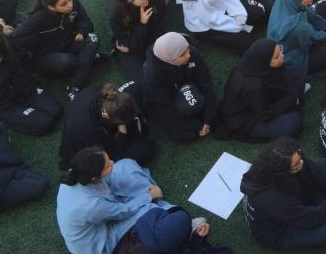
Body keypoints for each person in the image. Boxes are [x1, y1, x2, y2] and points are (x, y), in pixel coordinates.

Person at [57, 147, 212, 254]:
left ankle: (156, 201)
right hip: (103, 242)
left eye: (108, 158)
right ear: (94, 177)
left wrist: (143, 190)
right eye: (107, 165)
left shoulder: (80, 177)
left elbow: (112, 181)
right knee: (148, 209)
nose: (111, 162)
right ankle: (161, 209)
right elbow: (120, 212)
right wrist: (147, 196)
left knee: (126, 164)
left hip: (104, 214)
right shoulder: (90, 205)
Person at [241, 137, 326, 250]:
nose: (301, 163)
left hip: (289, 207)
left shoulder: (271, 166)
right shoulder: (275, 198)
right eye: (296, 164)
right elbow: (307, 218)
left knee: (324, 165)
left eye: (299, 157)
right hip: (280, 232)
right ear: (282, 171)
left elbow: (308, 165)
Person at [0, 31, 63, 136]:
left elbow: (25, 67)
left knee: (56, 110)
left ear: (3, 53)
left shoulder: (10, 49)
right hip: (0, 103)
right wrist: (2, 70)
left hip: (22, 89)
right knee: (44, 123)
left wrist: (29, 84)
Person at [12, 0, 100, 100]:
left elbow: (84, 20)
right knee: (69, 61)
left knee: (93, 39)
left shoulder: (73, 5)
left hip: (69, 42)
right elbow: (16, 37)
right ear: (51, 7)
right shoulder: (38, 19)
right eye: (64, 4)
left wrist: (82, 31)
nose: (70, 5)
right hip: (47, 54)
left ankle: (74, 85)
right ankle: (88, 59)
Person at [220, 39, 305, 142]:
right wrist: (291, 101)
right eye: (276, 57)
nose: (282, 55)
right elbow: (266, 115)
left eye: (280, 50)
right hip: (248, 120)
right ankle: (295, 103)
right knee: (293, 124)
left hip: (261, 101)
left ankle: (295, 102)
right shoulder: (254, 86)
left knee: (298, 72)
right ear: (265, 61)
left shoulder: (253, 66)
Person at [59, 83, 156, 170]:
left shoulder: (106, 93)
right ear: (106, 116)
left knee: (134, 88)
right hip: (89, 147)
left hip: (89, 115)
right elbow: (110, 153)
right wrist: (123, 132)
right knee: (145, 149)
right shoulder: (92, 132)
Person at [142, 32, 217, 142]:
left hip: (187, 85)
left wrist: (208, 119)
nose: (188, 55)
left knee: (213, 116)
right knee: (183, 134)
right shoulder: (152, 73)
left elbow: (206, 84)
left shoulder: (193, 53)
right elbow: (164, 103)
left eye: (187, 49)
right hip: (169, 95)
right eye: (182, 54)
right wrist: (195, 126)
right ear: (169, 59)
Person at [108, 0, 167, 84]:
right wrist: (142, 24)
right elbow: (125, 42)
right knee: (144, 81)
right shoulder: (116, 13)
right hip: (131, 45)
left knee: (168, 67)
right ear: (129, 0)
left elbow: (161, 26)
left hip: (150, 39)